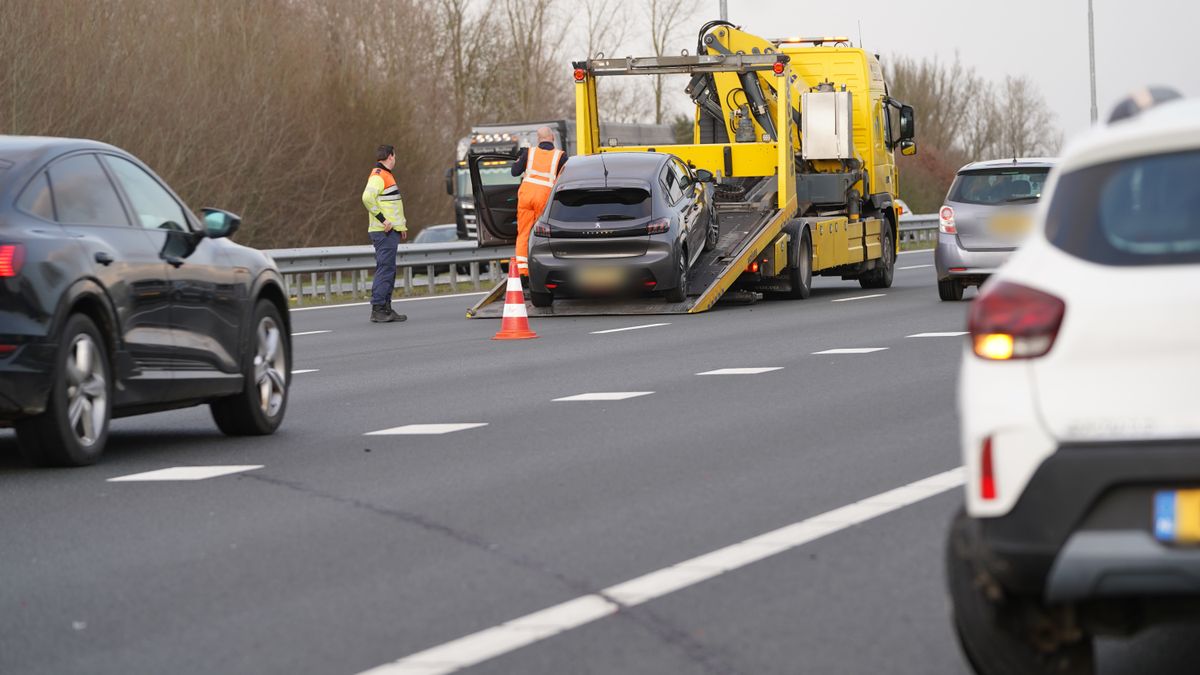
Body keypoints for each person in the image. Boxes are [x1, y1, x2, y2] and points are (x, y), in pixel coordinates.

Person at [510, 127, 567, 283]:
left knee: (523, 233)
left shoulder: (529, 153)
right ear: (552, 138)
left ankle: (523, 273)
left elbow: (514, 172)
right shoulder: (560, 156)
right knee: (542, 235)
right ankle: (543, 268)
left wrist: (520, 158)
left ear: (538, 138)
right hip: (544, 198)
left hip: (526, 196)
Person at [362, 144, 408, 323]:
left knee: (389, 269)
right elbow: (366, 198)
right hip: (383, 232)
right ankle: (379, 309)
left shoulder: (386, 176)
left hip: (390, 232)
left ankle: (386, 308)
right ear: (390, 156)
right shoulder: (379, 176)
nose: (395, 159)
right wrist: (384, 220)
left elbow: (392, 206)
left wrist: (401, 227)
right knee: (385, 269)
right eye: (394, 156)